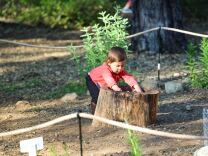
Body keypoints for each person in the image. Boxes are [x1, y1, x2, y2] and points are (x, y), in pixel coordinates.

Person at [86, 47, 143, 114]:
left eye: (122, 65)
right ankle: (95, 110)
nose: (120, 68)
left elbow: (129, 78)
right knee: (97, 95)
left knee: (109, 93)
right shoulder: (105, 69)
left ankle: (109, 110)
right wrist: (116, 88)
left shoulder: (120, 70)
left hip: (104, 82)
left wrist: (138, 89)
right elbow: (109, 78)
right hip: (92, 79)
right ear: (109, 63)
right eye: (117, 66)